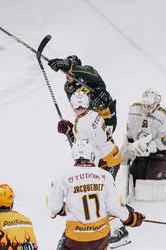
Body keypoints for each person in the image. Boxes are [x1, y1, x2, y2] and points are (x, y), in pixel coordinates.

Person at [57, 91, 131, 248]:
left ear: (71, 106)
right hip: (112, 155)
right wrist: (71, 129)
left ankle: (119, 231)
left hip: (106, 161)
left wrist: (89, 174)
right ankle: (119, 210)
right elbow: (90, 137)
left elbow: (90, 153)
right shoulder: (91, 114)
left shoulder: (82, 125)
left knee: (102, 195)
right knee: (105, 193)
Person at [48, 140, 145, 250]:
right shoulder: (105, 175)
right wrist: (131, 219)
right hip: (101, 236)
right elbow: (113, 207)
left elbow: (54, 207)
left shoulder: (63, 176)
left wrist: (62, 209)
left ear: (74, 155)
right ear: (91, 155)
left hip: (76, 237)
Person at [48, 55, 117, 134]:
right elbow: (78, 109)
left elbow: (86, 71)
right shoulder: (68, 87)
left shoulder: (89, 72)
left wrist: (70, 66)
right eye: (65, 73)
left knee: (98, 97)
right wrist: (70, 129)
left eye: (68, 72)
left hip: (107, 118)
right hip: (91, 121)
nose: (67, 76)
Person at [121, 88, 166, 185]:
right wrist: (129, 148)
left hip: (161, 152)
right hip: (141, 152)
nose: (146, 107)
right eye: (144, 104)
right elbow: (130, 134)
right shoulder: (134, 110)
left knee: (151, 182)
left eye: (149, 105)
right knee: (136, 180)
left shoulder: (164, 114)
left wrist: (152, 147)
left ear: (156, 102)